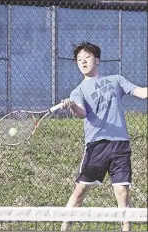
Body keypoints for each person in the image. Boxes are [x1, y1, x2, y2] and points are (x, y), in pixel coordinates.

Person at [60, 42, 147, 231]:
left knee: (122, 192)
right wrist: (72, 105)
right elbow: (81, 113)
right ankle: (64, 229)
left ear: (97, 60)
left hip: (120, 145)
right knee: (80, 191)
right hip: (96, 146)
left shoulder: (116, 79)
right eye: (79, 59)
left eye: (87, 57)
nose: (82, 61)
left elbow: (141, 93)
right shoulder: (78, 91)